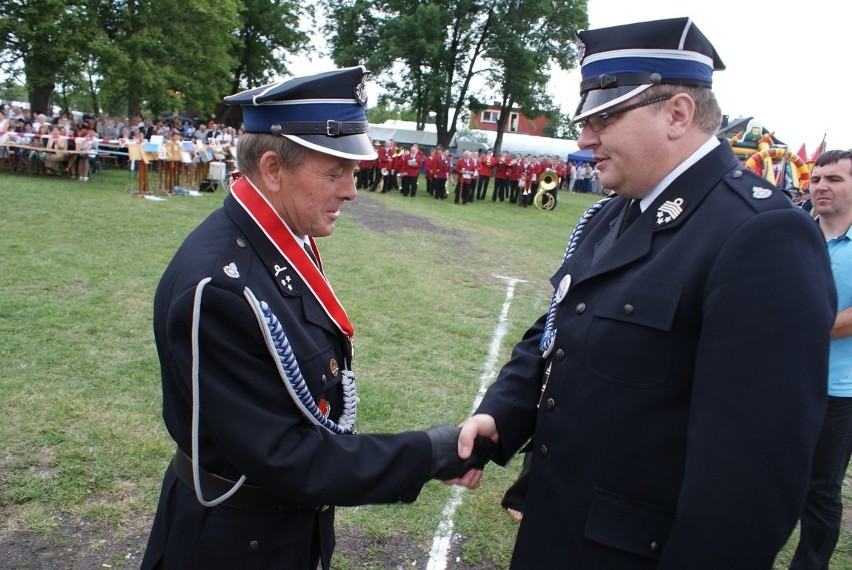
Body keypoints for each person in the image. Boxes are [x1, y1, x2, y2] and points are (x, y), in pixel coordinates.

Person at [453, 17, 836, 569]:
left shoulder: (760, 233)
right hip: (559, 530)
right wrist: (502, 414)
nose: (585, 139)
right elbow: (560, 322)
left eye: (604, 117)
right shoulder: (614, 213)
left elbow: (750, 475)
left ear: (677, 114)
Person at [140, 66, 491, 570]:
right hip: (233, 544)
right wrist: (429, 452)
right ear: (272, 169)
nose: (351, 191)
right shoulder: (219, 285)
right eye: (334, 173)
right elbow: (285, 455)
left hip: (279, 530)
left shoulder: (275, 244)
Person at [789, 149, 852, 570]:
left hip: (836, 391)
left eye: (834, 179)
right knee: (763, 476)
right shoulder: (794, 233)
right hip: (782, 383)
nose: (821, 186)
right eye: (816, 179)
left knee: (820, 492)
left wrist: (795, 327)